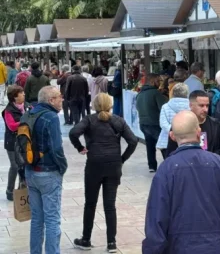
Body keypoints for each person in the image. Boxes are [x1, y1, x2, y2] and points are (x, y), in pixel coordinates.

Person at [142, 110, 220, 253]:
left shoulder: (166, 171)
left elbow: (156, 220)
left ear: (172, 136)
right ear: (199, 132)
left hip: (180, 247)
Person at [69, 93, 138, 253]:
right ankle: (111, 242)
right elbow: (133, 141)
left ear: (94, 105)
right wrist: (122, 159)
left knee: (90, 203)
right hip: (114, 165)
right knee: (110, 205)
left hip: (94, 165)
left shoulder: (89, 120)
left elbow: (73, 133)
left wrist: (80, 147)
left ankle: (86, 239)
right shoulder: (118, 121)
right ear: (110, 105)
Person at [25, 86, 68, 254]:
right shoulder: (51, 117)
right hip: (48, 172)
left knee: (36, 218)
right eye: (59, 97)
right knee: (52, 219)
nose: (62, 99)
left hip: (30, 171)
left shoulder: (29, 113)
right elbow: (56, 148)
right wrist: (62, 166)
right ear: (51, 100)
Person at [167, 90, 220, 159]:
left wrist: (211, 157)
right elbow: (170, 152)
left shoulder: (215, 124)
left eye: (207, 106)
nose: (205, 109)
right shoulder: (180, 124)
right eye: (201, 106)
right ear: (191, 105)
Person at [2, 85, 30, 201]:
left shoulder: (27, 106)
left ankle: (22, 190)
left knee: (23, 165)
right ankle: (9, 191)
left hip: (24, 140)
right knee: (14, 166)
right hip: (12, 142)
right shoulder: (8, 111)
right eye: (21, 93)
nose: (23, 94)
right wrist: (25, 120)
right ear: (14, 97)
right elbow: (12, 126)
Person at [136, 73, 167, 172]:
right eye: (158, 81)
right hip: (155, 123)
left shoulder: (140, 94)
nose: (159, 83)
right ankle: (168, 163)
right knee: (163, 145)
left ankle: (152, 166)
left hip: (143, 123)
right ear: (153, 81)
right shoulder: (156, 93)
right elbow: (163, 107)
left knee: (150, 145)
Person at [156, 83, 190, 159]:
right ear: (187, 93)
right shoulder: (191, 106)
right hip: (187, 140)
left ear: (173, 93)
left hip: (167, 141)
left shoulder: (165, 106)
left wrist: (173, 131)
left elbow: (163, 123)